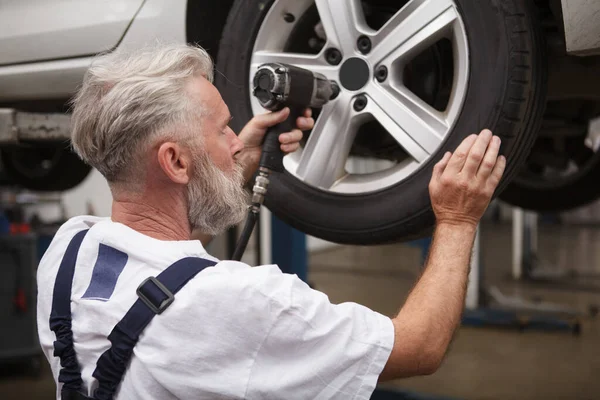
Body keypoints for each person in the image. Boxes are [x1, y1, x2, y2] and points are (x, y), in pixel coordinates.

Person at [36, 43, 506, 400]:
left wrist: (228, 166)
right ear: (175, 163)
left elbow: (166, 268)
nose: (235, 139)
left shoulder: (67, 253)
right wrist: (458, 218)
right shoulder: (244, 302)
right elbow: (419, 347)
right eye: (222, 129)